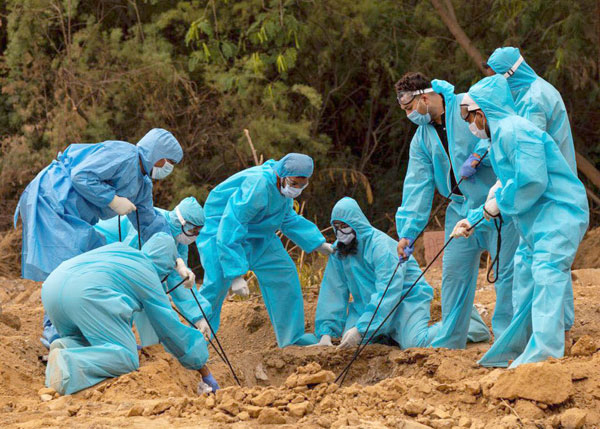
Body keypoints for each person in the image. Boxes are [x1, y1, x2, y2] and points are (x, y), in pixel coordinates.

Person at [455, 75, 588, 368]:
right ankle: (517, 349)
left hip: (558, 213)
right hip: (536, 221)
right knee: (525, 276)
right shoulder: (502, 135)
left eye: (469, 116)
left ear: (483, 111)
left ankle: (544, 359)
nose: (469, 124)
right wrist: (474, 219)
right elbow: (505, 185)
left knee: (546, 273)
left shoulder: (515, 131)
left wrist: (495, 206)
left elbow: (531, 182)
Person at [14, 128, 183, 348]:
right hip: (53, 199)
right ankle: (56, 333)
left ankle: (83, 327)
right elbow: (81, 175)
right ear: (158, 155)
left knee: (97, 261)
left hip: (73, 216)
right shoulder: (124, 154)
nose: (168, 168)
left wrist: (176, 258)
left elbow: (150, 223)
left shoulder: (142, 184)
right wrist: (112, 200)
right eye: (168, 162)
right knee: (67, 266)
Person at [394, 73, 520, 349]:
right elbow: (417, 185)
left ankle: (511, 344)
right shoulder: (422, 139)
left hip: (496, 204)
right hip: (460, 209)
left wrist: (479, 154)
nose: (409, 115)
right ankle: (449, 345)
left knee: (506, 275)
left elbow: (502, 127)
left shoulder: (469, 104)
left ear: (424, 98)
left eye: (409, 108)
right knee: (454, 276)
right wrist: (408, 233)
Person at [42, 233, 217, 395]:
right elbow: (169, 327)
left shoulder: (122, 250)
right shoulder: (147, 272)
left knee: (92, 340)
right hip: (84, 295)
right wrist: (201, 366)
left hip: (52, 288)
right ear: (164, 268)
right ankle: (68, 363)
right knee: (126, 357)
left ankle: (65, 345)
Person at [482, 47, 578, 337]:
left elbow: (528, 156)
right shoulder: (537, 90)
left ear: (508, 75)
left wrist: (502, 190)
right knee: (548, 262)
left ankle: (547, 333)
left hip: (546, 193)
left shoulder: (533, 100)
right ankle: (555, 326)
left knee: (541, 263)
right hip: (550, 189)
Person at [197, 153, 333, 347]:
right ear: (282, 175)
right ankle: (195, 344)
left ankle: (291, 340)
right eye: (294, 183)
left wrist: (318, 243)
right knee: (216, 286)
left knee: (284, 273)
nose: (297, 189)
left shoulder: (282, 190)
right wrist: (235, 274)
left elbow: (287, 218)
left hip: (260, 234)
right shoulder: (258, 185)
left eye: (302, 185)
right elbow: (232, 223)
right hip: (221, 233)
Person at [314, 197, 439, 349]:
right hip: (367, 306)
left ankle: (465, 322)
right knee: (349, 344)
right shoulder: (339, 251)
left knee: (415, 343)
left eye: (344, 225)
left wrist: (363, 328)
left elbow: (388, 291)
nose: (340, 231)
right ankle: (386, 333)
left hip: (404, 301)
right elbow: (333, 291)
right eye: (336, 226)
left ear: (356, 223)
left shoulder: (381, 247)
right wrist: (326, 333)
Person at [95, 196, 205, 346]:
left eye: (199, 231)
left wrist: (198, 316)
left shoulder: (178, 241)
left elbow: (179, 281)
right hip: (99, 246)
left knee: (148, 293)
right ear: (182, 222)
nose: (195, 236)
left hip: (119, 263)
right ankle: (112, 343)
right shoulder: (149, 222)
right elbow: (127, 264)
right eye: (193, 230)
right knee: (135, 293)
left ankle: (152, 347)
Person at [483, 47, 577, 172]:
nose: (495, 86)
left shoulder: (534, 100)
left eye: (496, 80)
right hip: (552, 174)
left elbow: (528, 148)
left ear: (510, 74)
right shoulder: (531, 89)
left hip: (550, 178)